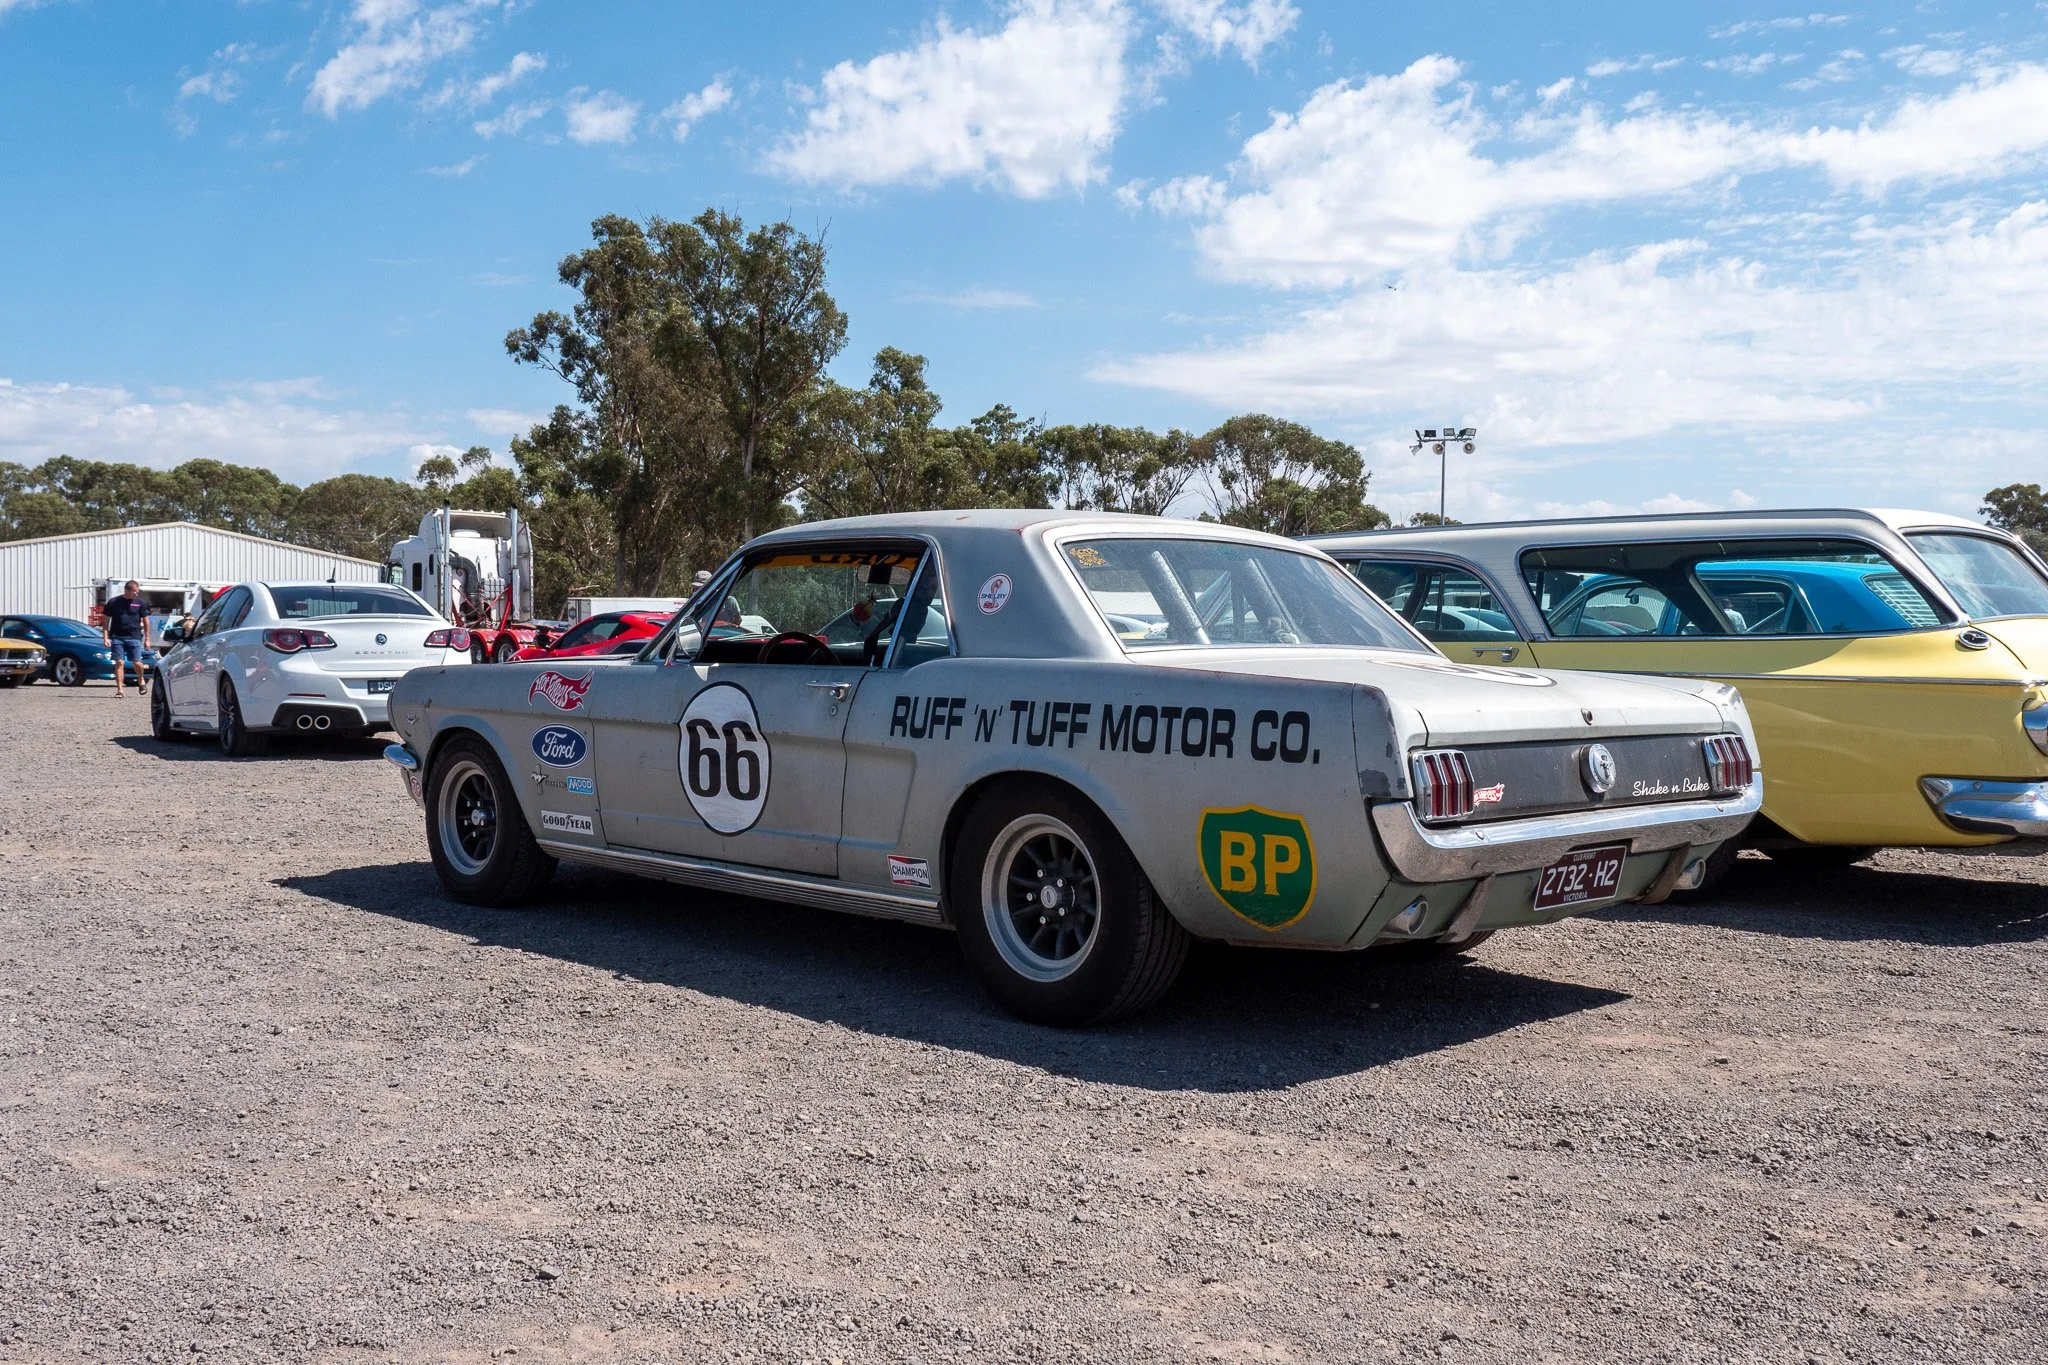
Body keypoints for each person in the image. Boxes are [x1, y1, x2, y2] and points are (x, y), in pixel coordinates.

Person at [102, 580, 151, 698]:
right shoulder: (113, 602)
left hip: (134, 637)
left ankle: (141, 679)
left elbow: (146, 621)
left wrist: (147, 638)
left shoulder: (140, 603)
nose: (136, 594)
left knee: (137, 662)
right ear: (127, 590)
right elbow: (106, 620)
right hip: (117, 637)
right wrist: (105, 637)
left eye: (137, 591)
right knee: (119, 662)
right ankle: (120, 690)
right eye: (134, 592)